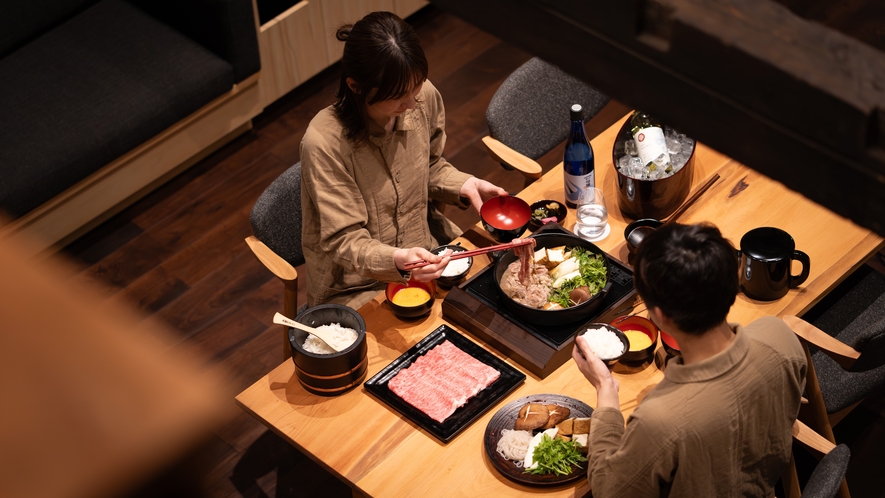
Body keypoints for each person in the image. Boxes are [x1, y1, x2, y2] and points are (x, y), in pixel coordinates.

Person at [572, 223, 807, 497]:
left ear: (659, 317)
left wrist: (605, 390)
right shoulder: (778, 334)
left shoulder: (659, 421)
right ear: (734, 284)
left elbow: (609, 492)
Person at [299, 11, 506, 309]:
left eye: (417, 85)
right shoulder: (325, 143)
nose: (411, 104)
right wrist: (397, 260)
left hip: (424, 253)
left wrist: (465, 184)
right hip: (356, 286)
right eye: (397, 96)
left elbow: (430, 165)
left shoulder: (424, 97)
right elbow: (345, 241)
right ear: (356, 86)